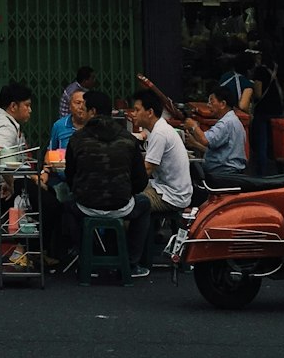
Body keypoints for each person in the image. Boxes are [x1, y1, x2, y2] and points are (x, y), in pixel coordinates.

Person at [61, 88, 151, 277]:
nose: (81, 113)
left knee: (67, 203)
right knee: (144, 203)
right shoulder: (128, 139)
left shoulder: (77, 139)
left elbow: (70, 176)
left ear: (92, 112)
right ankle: (132, 263)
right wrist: (125, 192)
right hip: (122, 206)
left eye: (84, 109)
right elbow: (141, 181)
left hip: (86, 205)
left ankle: (86, 255)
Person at [127, 88, 192, 270]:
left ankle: (132, 261)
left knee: (132, 203)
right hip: (164, 187)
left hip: (172, 194)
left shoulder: (160, 133)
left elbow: (147, 169)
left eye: (137, 109)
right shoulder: (158, 129)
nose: (134, 113)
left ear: (149, 112)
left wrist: (126, 187)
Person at [183, 87, 249, 181]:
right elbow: (220, 153)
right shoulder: (232, 121)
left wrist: (194, 126)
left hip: (224, 174)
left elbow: (205, 140)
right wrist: (195, 144)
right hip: (226, 171)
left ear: (222, 104)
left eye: (211, 102)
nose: (208, 105)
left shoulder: (226, 123)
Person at [250, 40, 284, 174]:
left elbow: (258, 93)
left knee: (262, 143)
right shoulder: (278, 68)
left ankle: (262, 173)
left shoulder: (260, 70)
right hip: (278, 110)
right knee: (278, 142)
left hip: (263, 111)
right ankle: (281, 171)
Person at [48, 86, 87, 152]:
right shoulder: (59, 126)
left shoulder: (95, 125)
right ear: (70, 106)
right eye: (78, 103)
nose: (81, 107)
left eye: (85, 103)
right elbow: (50, 153)